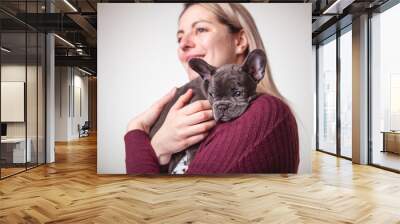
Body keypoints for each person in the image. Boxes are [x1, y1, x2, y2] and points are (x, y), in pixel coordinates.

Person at [124, 3, 299, 174]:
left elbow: (186, 200)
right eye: (179, 38)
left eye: (200, 29)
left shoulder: (266, 112)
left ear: (240, 41)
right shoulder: (179, 120)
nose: (183, 43)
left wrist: (136, 134)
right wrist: (159, 149)